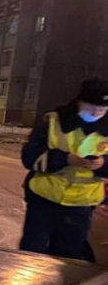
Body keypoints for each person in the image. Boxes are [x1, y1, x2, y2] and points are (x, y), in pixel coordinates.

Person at [20, 77, 108, 261]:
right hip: (44, 201)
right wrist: (66, 159)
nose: (96, 113)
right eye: (91, 108)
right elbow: (29, 157)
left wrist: (102, 164)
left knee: (68, 261)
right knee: (31, 257)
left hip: (82, 207)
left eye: (102, 110)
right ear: (79, 102)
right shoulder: (52, 121)